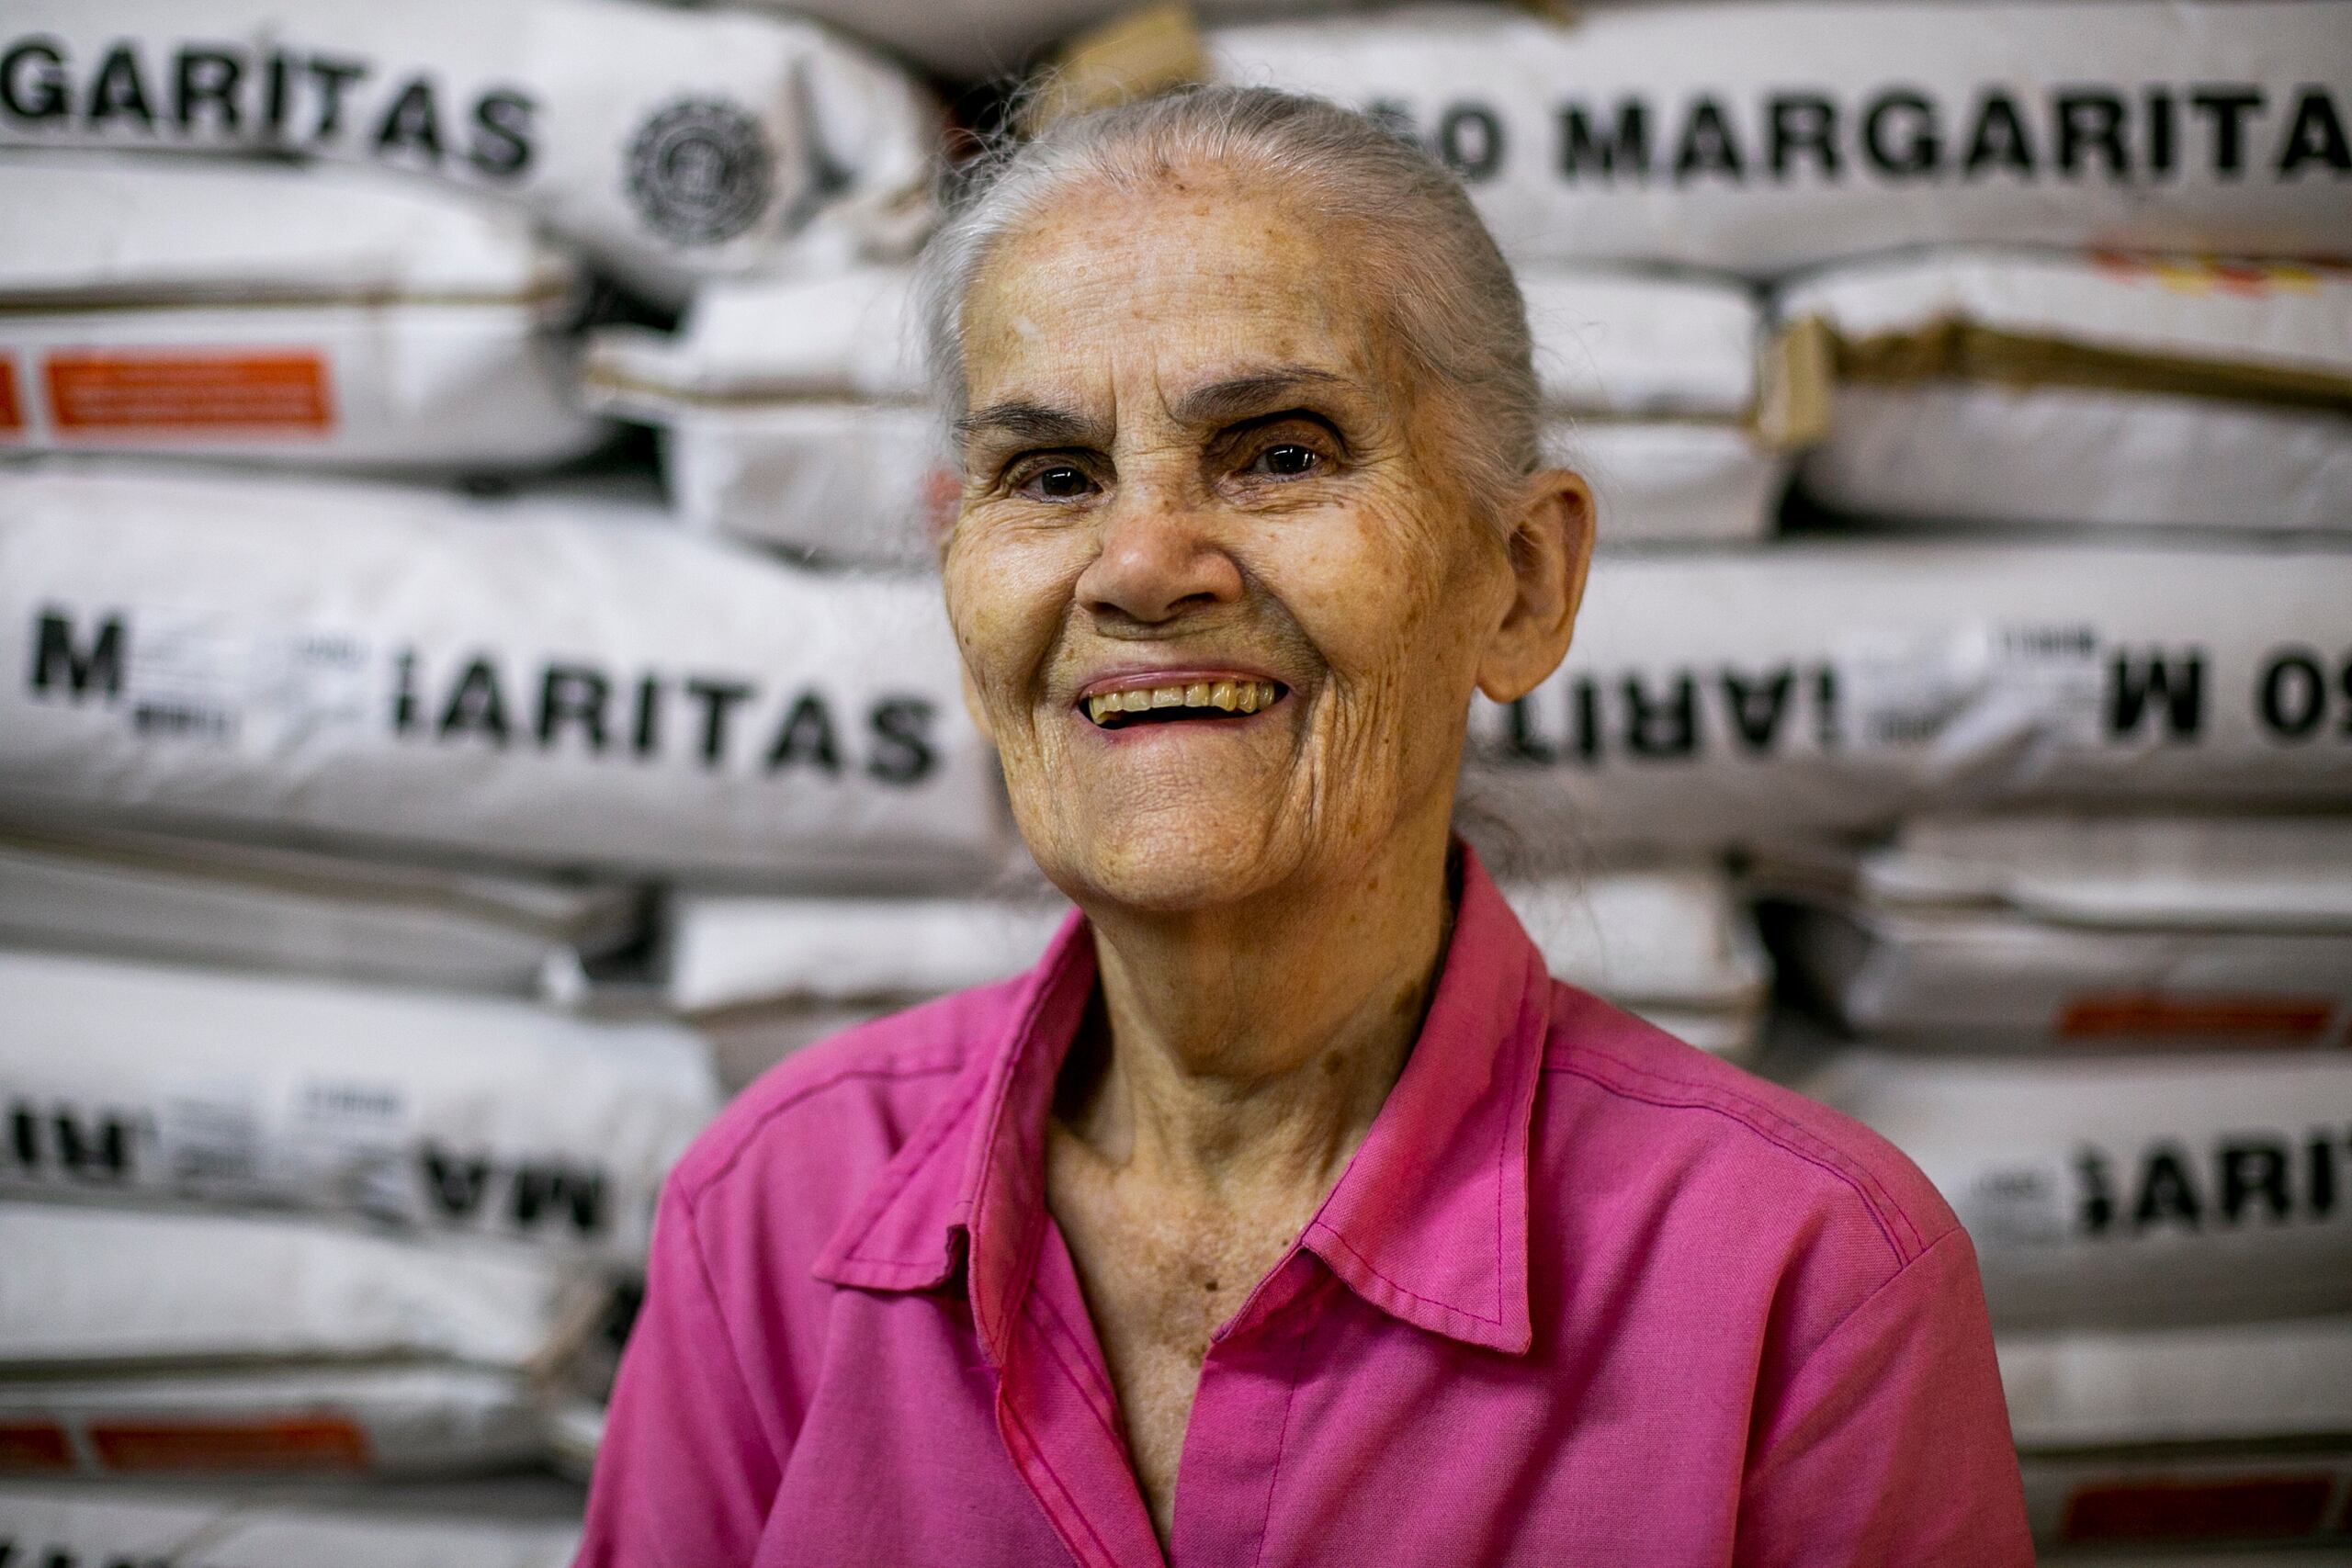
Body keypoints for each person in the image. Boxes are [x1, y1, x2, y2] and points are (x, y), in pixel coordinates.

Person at [577, 86, 2032, 1566]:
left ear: (1521, 584)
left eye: (1280, 453)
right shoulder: (772, 1215)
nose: (1140, 565)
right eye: (1053, 476)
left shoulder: (1803, 1278)